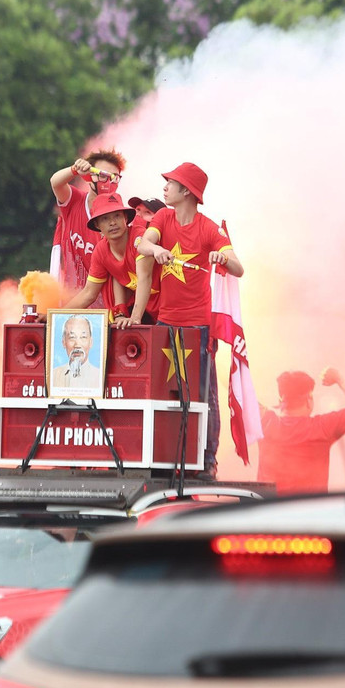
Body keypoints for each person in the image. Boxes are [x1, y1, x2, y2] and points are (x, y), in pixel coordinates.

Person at [131, 162, 244, 479]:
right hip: (166, 325)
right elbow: (142, 243)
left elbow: (238, 267)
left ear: (187, 191)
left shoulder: (208, 228)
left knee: (202, 394)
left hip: (198, 329)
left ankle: (207, 459)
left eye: (171, 183)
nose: (165, 187)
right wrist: (156, 249)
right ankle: (165, 456)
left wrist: (223, 257)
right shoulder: (164, 218)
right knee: (164, 391)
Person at [258, 368, 345, 494]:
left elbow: (238, 395)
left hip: (269, 510)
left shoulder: (264, 421)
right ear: (309, 399)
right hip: (310, 510)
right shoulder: (322, 427)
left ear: (280, 401)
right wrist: (339, 379)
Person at [65, 194, 160, 327]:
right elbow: (89, 293)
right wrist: (54, 316)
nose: (112, 223)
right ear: (97, 225)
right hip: (149, 313)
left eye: (117, 216)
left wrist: (134, 319)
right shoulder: (101, 250)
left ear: (125, 218)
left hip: (172, 308)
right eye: (105, 218)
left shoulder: (139, 237)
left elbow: (145, 277)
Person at [49, 149, 126, 302]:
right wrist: (74, 169)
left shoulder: (120, 216)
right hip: (70, 298)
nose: (109, 182)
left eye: (115, 177)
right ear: (89, 176)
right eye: (103, 175)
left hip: (106, 304)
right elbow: (55, 183)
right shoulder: (75, 200)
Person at [49, 314, 101, 388]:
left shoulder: (100, 376)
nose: (77, 345)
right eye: (72, 337)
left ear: (91, 342)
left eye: (83, 337)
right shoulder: (53, 375)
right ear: (64, 342)